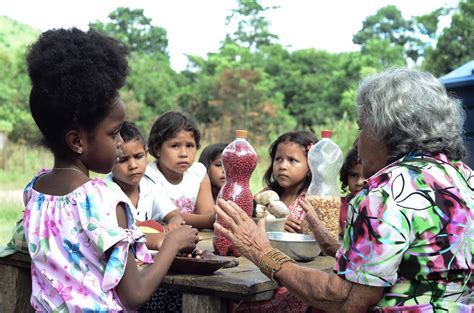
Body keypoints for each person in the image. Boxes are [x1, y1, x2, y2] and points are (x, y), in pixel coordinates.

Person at [214, 67, 473, 312]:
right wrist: (334, 246)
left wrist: (261, 252)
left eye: (362, 129)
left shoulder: (385, 192)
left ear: (385, 132)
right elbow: (416, 263)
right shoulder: (463, 176)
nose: (357, 143)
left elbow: (345, 300)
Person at [22, 28, 199, 312]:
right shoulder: (104, 199)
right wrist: (172, 244)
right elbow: (134, 294)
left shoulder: (33, 190)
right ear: (77, 141)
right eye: (114, 133)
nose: (120, 143)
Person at [105, 120, 185, 250]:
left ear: (146, 154)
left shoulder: (150, 183)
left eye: (138, 156)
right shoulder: (104, 191)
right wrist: (157, 234)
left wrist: (173, 225)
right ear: (109, 160)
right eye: (123, 160)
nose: (133, 166)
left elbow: (174, 215)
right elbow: (122, 230)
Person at [147, 111, 216, 229]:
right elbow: (208, 219)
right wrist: (211, 219)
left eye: (190, 145)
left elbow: (207, 214)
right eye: (175, 146)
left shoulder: (198, 173)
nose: (184, 154)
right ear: (158, 149)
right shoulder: (149, 176)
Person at [260, 131, 317, 233]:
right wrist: (273, 224)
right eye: (278, 159)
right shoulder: (266, 195)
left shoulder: (314, 200)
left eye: (292, 160)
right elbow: (247, 218)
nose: (282, 166)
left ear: (310, 166)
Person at [338, 143, 364, 237]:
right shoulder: (338, 205)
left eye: (365, 176)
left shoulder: (377, 206)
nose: (359, 182)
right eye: (353, 175)